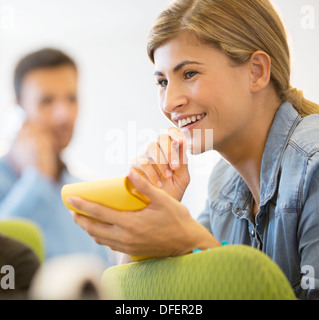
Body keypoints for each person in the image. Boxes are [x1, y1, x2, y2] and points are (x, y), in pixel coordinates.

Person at [68, 0, 319, 299]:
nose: (168, 102)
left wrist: (187, 241)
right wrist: (148, 217)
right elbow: (136, 299)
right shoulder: (223, 185)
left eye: (189, 74)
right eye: (162, 81)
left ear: (256, 71)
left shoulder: (313, 165)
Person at [0, 48, 115, 266]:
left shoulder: (84, 193)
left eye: (71, 98)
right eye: (46, 101)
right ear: (18, 111)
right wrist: (37, 181)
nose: (65, 114)